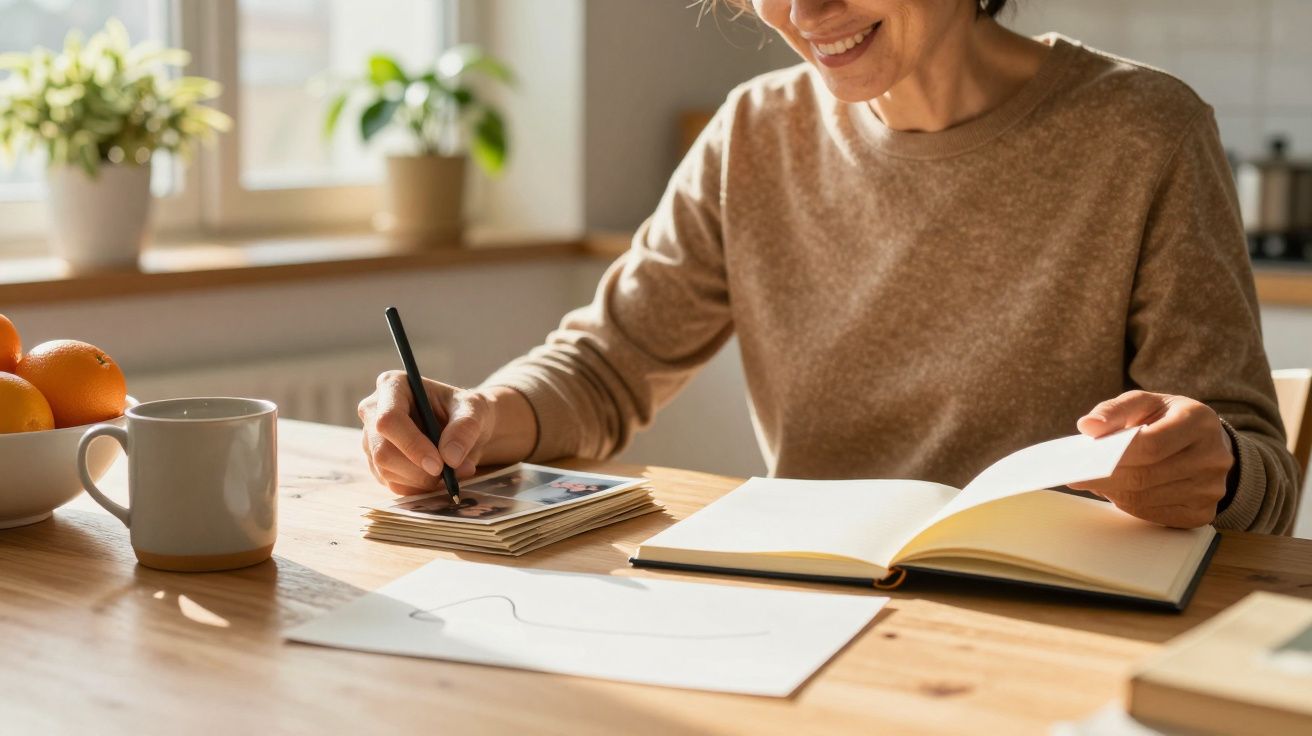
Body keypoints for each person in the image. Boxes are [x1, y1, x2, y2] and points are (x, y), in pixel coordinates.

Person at [359, 0, 1301, 534]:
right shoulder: (756, 132)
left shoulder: (1145, 132)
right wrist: (482, 415)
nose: (805, 11)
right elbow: (606, 366)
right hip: (812, 612)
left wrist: (1206, 468)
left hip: (1054, 627)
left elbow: (1256, 462)